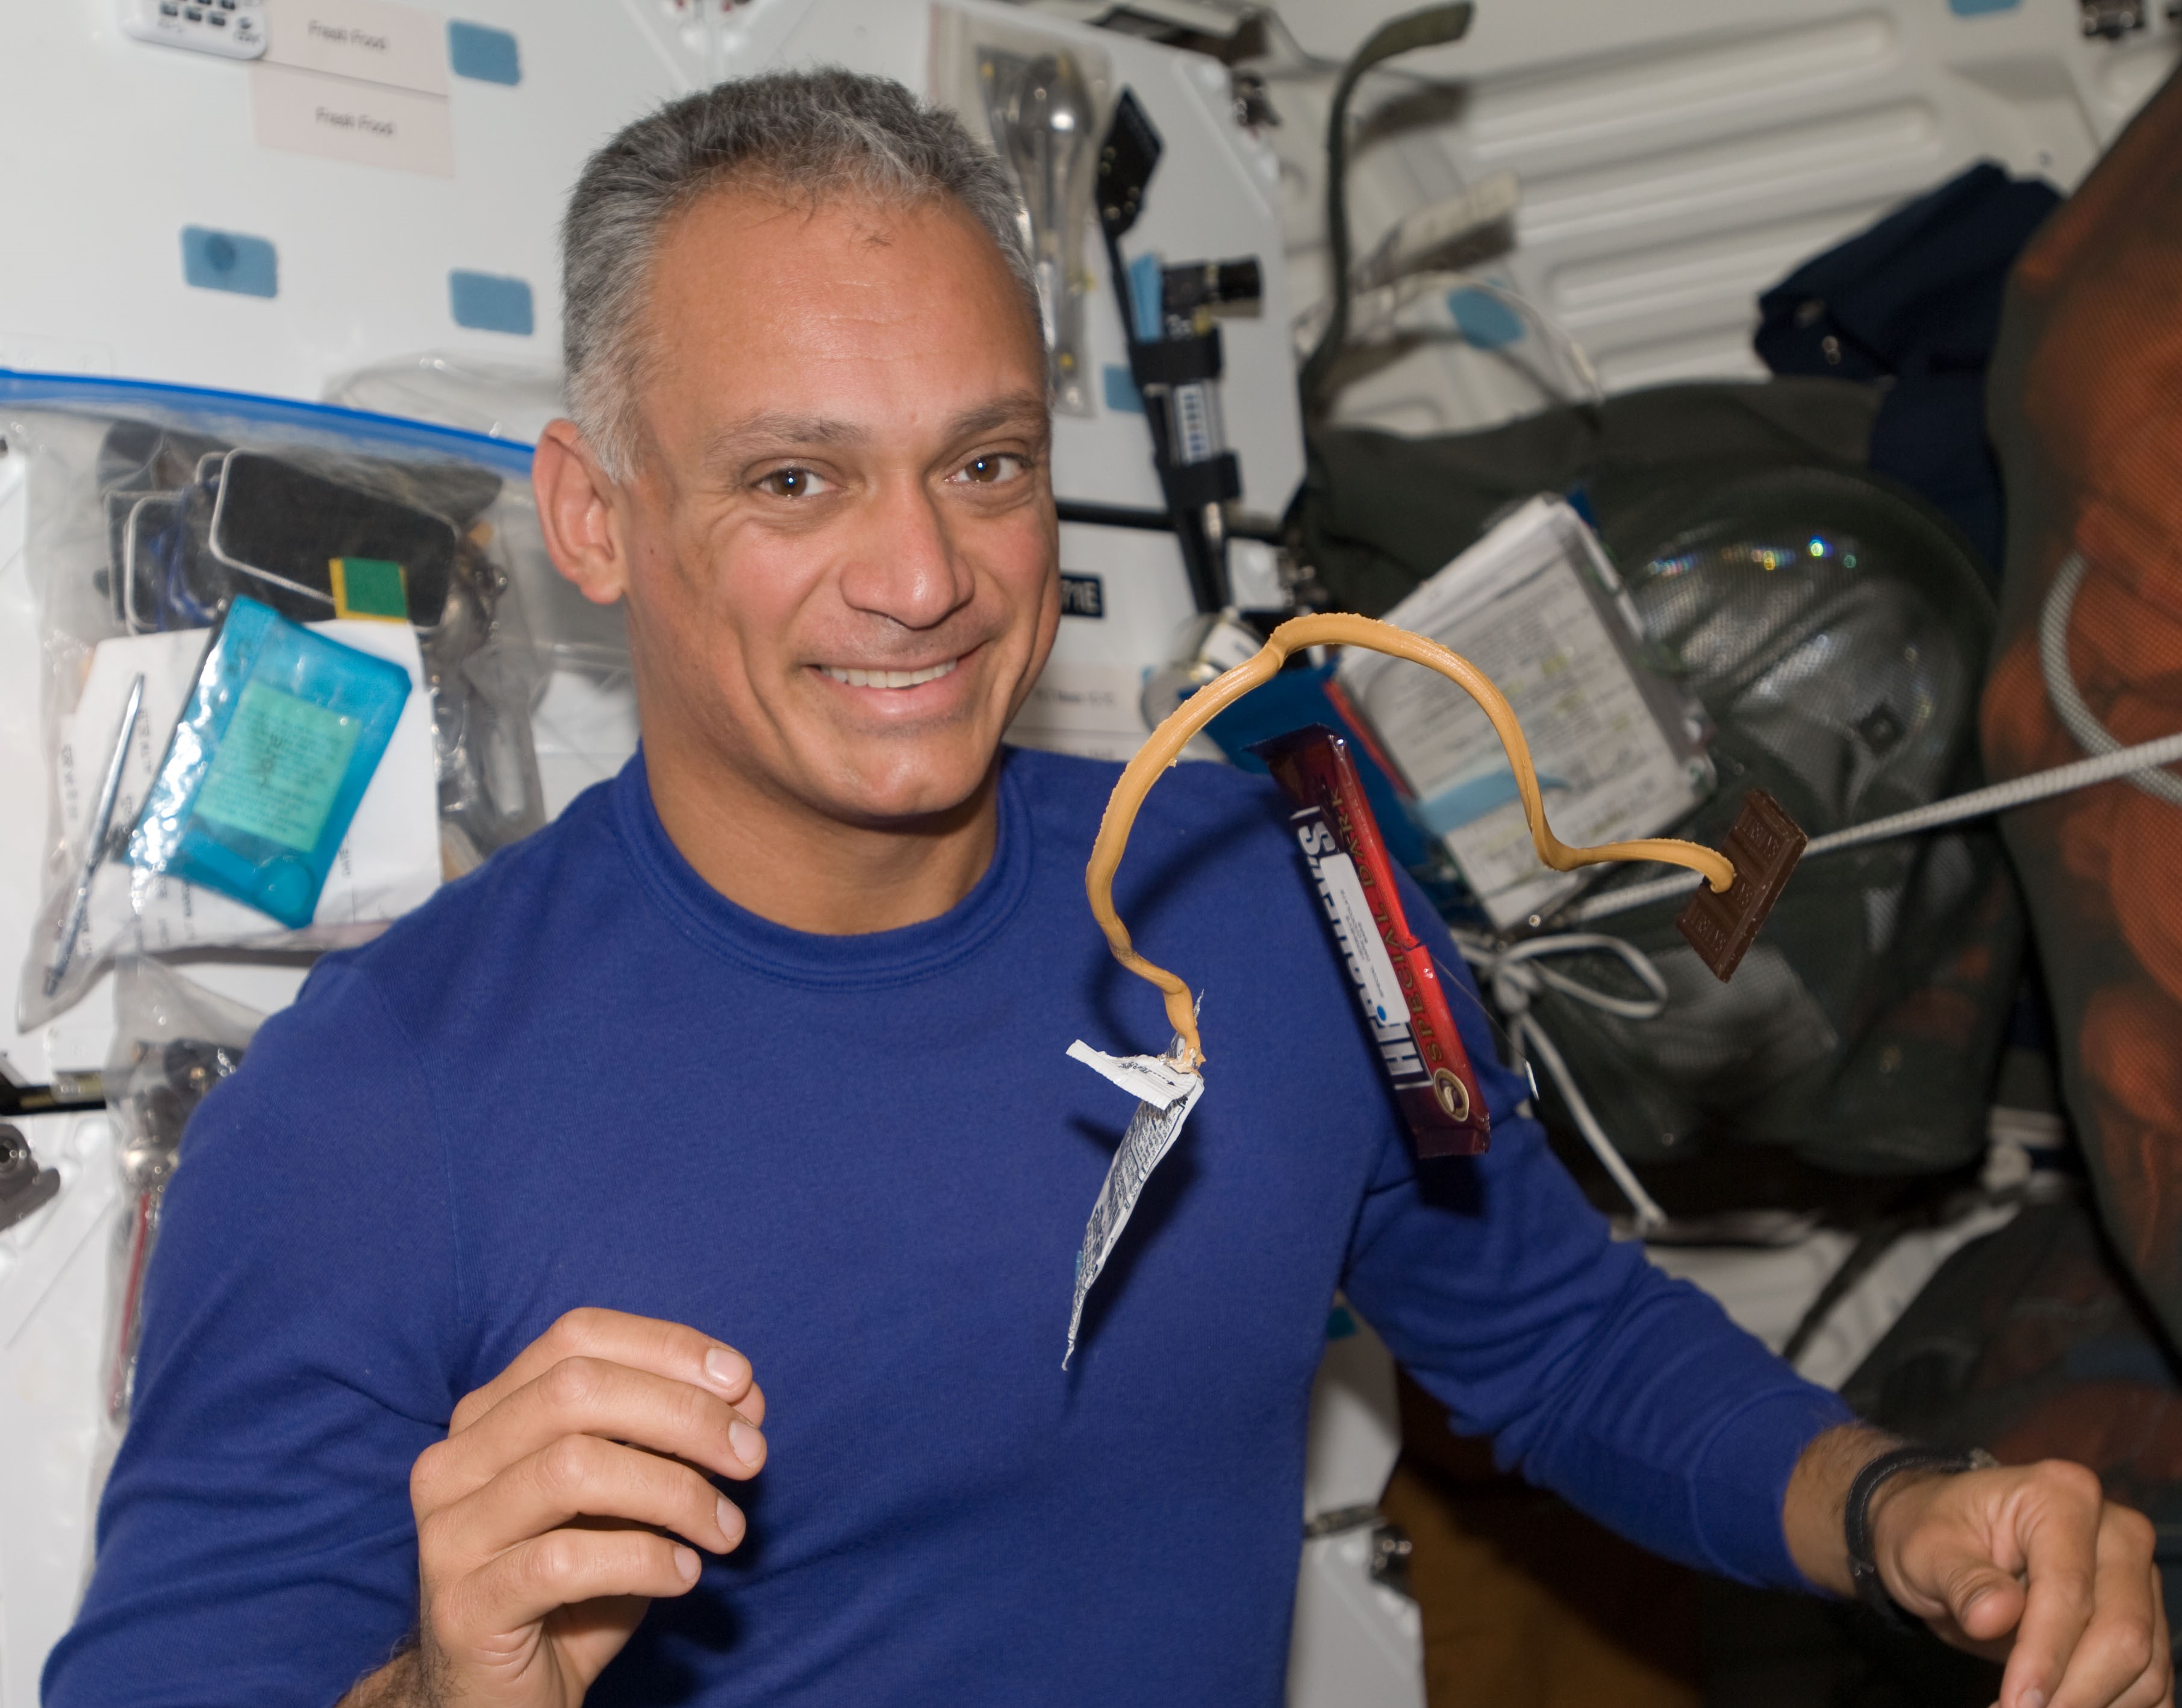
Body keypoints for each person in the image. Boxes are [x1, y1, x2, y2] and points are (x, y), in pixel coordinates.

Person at [45, 68, 2171, 1708]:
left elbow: (1549, 1335)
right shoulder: (361, 1116)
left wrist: (1903, 1506)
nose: (924, 575)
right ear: (596, 519)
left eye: (982, 461)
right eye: (797, 479)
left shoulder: (1273, 870)